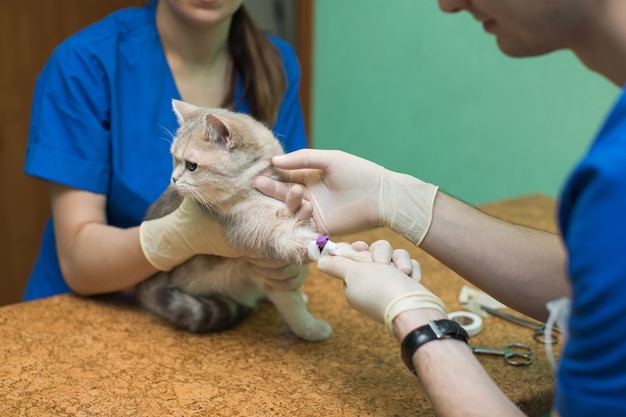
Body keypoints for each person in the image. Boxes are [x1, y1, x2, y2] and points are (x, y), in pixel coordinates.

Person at [254, 0, 626, 415]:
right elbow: (596, 279)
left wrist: (416, 320)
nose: (448, 5)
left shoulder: (615, 178)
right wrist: (395, 197)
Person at [24, 0, 309, 301]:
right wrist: (176, 237)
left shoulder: (276, 62)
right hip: (91, 309)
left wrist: (289, 258)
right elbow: (78, 262)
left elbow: (290, 193)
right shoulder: (84, 63)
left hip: (221, 303)